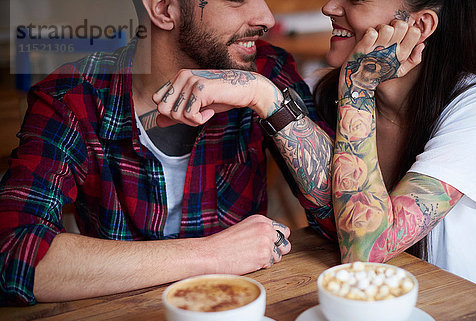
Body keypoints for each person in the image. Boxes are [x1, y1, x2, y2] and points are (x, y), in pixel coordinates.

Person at [0, 0, 335, 305]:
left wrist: (266, 98)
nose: (266, 17)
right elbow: (13, 252)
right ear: (163, 8)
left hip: (243, 317)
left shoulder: (265, 71)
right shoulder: (71, 98)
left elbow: (346, 217)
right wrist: (213, 255)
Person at [315, 0, 476, 307]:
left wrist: (358, 89)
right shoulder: (327, 93)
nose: (329, 7)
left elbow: (365, 254)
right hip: (382, 310)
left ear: (421, 26)